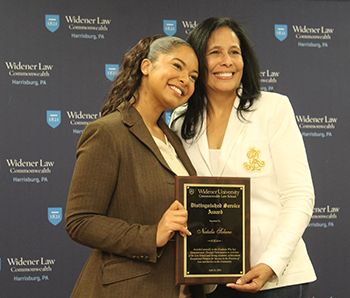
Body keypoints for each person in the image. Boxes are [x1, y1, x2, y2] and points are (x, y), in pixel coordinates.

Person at [171, 17, 316, 297]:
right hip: (209, 281)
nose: (227, 61)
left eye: (234, 52)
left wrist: (271, 263)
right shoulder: (180, 119)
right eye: (215, 53)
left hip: (274, 279)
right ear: (198, 62)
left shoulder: (273, 109)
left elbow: (299, 195)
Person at [65, 35, 206, 297]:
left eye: (194, 76)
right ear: (146, 67)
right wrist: (152, 235)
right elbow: (80, 221)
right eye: (177, 66)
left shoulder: (173, 139)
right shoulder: (108, 132)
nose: (186, 80)